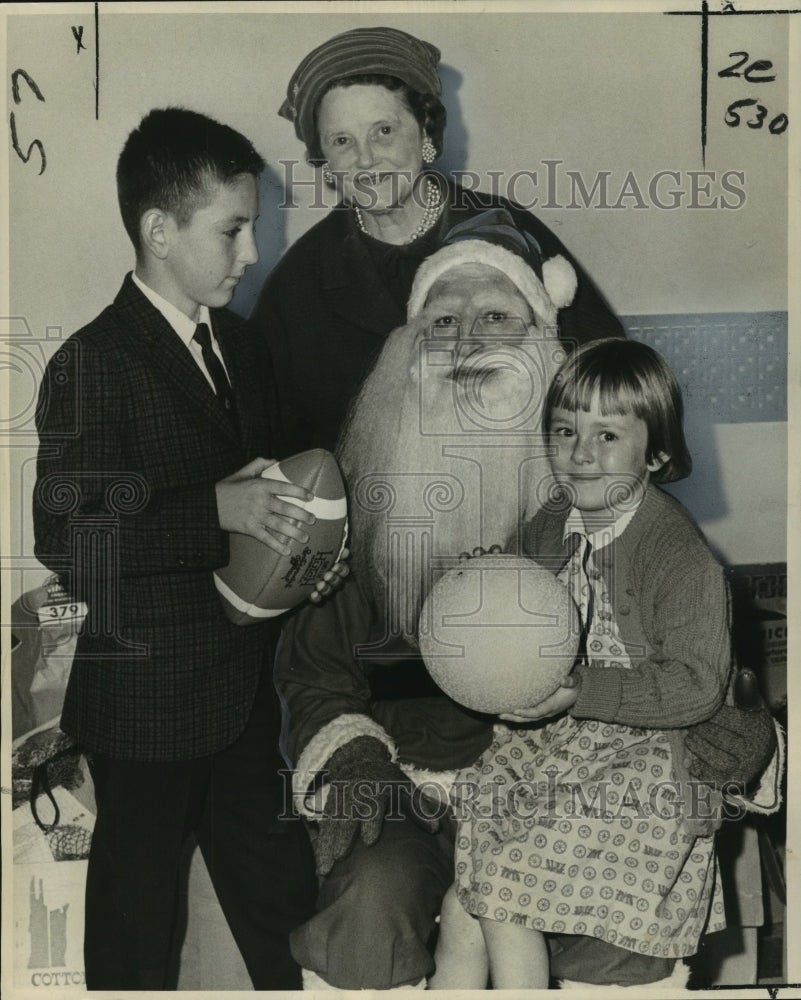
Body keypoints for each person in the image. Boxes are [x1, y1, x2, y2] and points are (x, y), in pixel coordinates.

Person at [274, 227, 777, 990]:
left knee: (621, 941)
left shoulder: (614, 509)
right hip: (409, 789)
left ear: (547, 347)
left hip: (582, 795)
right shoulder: (358, 503)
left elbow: (703, 669)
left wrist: (739, 738)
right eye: (441, 321)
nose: (466, 341)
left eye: (495, 318)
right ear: (404, 353)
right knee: (366, 916)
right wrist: (349, 758)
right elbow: (312, 672)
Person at [31, 107, 338, 990]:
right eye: (233, 231)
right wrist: (215, 508)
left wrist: (313, 551)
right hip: (145, 709)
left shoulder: (241, 344)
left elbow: (277, 493)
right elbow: (67, 535)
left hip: (243, 696)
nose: (250, 255)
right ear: (159, 231)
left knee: (288, 916)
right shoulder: (93, 363)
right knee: (137, 937)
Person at [431, 339, 736, 989]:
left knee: (500, 895)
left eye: (607, 435)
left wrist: (580, 691)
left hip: (644, 766)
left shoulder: (678, 555)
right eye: (565, 430)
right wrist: (483, 593)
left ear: (655, 453)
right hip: (554, 745)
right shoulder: (548, 522)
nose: (580, 453)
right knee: (463, 903)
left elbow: (697, 686)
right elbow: (513, 615)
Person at [252, 25, 624, 455]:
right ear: (325, 161)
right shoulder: (301, 281)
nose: (366, 158)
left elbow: (609, 379)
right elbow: (271, 439)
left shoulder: (507, 230)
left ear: (425, 133)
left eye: (384, 131)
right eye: (341, 141)